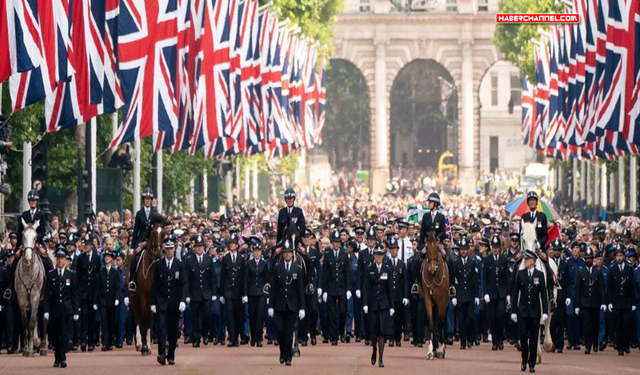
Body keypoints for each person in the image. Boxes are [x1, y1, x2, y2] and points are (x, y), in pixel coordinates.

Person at [510, 250, 549, 373]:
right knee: (522, 336)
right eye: (525, 259)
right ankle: (523, 359)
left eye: (527, 259)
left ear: (532, 261)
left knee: (533, 338)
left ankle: (532, 363)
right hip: (522, 311)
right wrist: (514, 311)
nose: (525, 261)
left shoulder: (540, 275)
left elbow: (543, 293)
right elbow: (515, 293)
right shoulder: (520, 274)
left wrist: (545, 311)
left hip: (535, 312)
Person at [268, 239, 305, 366]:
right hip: (279, 305)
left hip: (292, 305)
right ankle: (282, 352)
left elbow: (300, 289)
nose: (288, 254)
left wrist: (302, 308)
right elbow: (273, 288)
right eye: (286, 252)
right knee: (280, 331)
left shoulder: (297, 268)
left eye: (290, 252)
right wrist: (270, 306)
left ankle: (288, 356)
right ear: (283, 254)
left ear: (292, 253)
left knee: (289, 331)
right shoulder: (277, 268)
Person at [151, 236, 186, 366]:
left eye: (171, 248)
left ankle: (171, 355)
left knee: (172, 331)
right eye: (167, 249)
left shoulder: (179, 264)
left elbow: (183, 284)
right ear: (164, 250)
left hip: (175, 302)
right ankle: (161, 353)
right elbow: (155, 284)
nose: (170, 251)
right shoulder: (159, 264)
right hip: (161, 302)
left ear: (174, 249)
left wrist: (182, 300)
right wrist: (153, 303)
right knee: (161, 328)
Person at [43, 246, 79, 368]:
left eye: (62, 258)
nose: (60, 260)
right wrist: (46, 310)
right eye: (58, 258)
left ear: (65, 260)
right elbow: (47, 295)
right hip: (54, 310)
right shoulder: (51, 274)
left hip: (67, 310)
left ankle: (63, 358)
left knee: (64, 334)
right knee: (55, 336)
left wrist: (76, 310)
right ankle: (57, 358)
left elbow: (74, 294)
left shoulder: (71, 274)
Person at [362, 243, 394, 368]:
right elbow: (366, 288)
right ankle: (374, 350)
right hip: (372, 304)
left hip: (384, 304)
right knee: (373, 332)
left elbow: (390, 289)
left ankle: (381, 357)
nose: (379, 257)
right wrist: (365, 303)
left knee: (382, 332)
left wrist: (392, 306)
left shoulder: (388, 268)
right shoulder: (369, 269)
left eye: (381, 255)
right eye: (377, 255)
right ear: (374, 255)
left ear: (383, 256)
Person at [183, 234, 217, 347]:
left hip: (206, 293)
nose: (199, 248)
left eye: (201, 246)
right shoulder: (189, 260)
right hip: (194, 294)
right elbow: (186, 279)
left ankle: (205, 334)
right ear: (194, 247)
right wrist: (186, 294)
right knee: (194, 317)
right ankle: (196, 337)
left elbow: (213, 277)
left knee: (207, 315)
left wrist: (214, 293)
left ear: (204, 247)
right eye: (197, 246)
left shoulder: (209, 259)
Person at [322, 230, 352, 345]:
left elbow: (347, 273)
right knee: (332, 313)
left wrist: (348, 289)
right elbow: (325, 274)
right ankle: (334, 336)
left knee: (342, 312)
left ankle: (341, 332)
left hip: (342, 288)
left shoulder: (344, 255)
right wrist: (324, 290)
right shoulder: (328, 255)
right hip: (331, 288)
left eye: (338, 242)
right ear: (332, 243)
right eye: (334, 242)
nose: (336, 244)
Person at [574, 247, 606, 354]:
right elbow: (577, 290)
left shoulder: (598, 271)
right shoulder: (580, 272)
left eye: (590, 258)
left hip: (595, 303)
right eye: (587, 258)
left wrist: (603, 302)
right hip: (585, 303)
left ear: (593, 259)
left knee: (595, 324)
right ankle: (588, 346)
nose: (588, 260)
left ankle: (595, 342)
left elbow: (601, 288)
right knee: (586, 325)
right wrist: (577, 305)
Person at [414, 192, 447, 295]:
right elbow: (422, 232)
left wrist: (438, 238)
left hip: (438, 244)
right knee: (417, 261)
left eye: (431, 202)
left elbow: (443, 232)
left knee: (450, 260)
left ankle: (451, 286)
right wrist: (421, 247)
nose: (428, 204)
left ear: (436, 204)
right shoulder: (426, 216)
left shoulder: (441, 217)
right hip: (428, 246)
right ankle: (415, 284)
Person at [606, 247, 637, 356]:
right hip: (616, 302)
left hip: (627, 302)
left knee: (627, 325)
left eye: (621, 256)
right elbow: (609, 287)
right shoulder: (612, 269)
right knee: (618, 325)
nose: (619, 258)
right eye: (617, 256)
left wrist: (633, 303)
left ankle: (626, 344)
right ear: (615, 257)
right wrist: (609, 302)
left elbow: (632, 287)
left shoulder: (629, 269)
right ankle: (620, 347)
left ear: (624, 257)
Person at [219, 233, 246, 347]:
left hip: (238, 291)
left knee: (238, 315)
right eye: (230, 244)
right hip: (228, 290)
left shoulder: (241, 259)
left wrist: (244, 294)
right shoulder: (225, 258)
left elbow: (244, 277)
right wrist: (221, 294)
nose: (232, 245)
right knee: (229, 314)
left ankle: (238, 336)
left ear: (237, 246)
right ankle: (232, 338)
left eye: (234, 244)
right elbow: (223, 276)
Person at [451, 237, 479, 349]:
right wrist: (453, 296)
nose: (463, 251)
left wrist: (477, 296)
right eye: (461, 249)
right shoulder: (456, 263)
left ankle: (469, 338)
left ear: (468, 250)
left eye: (465, 249)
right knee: (461, 320)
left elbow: (475, 280)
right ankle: (463, 341)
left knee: (470, 318)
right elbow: (453, 280)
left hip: (470, 295)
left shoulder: (472, 263)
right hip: (460, 295)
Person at [483, 234, 509, 351]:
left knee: (501, 315)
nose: (495, 249)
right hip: (491, 293)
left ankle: (500, 339)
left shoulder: (504, 260)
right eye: (493, 246)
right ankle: (494, 341)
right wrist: (485, 293)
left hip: (502, 293)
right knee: (492, 317)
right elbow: (485, 278)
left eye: (497, 246)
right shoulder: (487, 260)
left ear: (500, 248)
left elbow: (507, 277)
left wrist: (508, 294)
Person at [129, 188, 157, 292]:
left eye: (149, 199)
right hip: (140, 242)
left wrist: (147, 242)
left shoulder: (155, 212)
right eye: (146, 199)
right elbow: (136, 231)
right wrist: (133, 247)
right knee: (134, 259)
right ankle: (132, 281)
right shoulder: (139, 213)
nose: (147, 201)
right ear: (143, 200)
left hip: (151, 242)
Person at [93, 248, 121, 351]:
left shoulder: (115, 272)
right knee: (103, 321)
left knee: (111, 321)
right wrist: (95, 301)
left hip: (112, 300)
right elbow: (97, 287)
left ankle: (110, 342)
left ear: (112, 259)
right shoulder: (101, 272)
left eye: (109, 257)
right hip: (103, 300)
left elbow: (118, 286)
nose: (107, 258)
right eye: (105, 257)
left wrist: (117, 298)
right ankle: (105, 343)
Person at [77, 233, 100, 352]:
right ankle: (83, 340)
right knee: (83, 317)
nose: (86, 246)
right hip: (83, 292)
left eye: (88, 244)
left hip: (93, 293)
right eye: (85, 244)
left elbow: (98, 276)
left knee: (92, 318)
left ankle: (91, 341)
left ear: (92, 245)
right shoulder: (81, 258)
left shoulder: (96, 257)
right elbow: (78, 275)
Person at [245, 237, 267, 347]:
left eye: (259, 251)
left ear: (261, 252)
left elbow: (267, 279)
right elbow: (246, 279)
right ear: (253, 252)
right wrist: (245, 294)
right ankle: (253, 336)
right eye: (255, 251)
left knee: (260, 315)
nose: (257, 253)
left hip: (262, 293)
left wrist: (268, 294)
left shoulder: (264, 263)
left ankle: (259, 337)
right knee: (252, 315)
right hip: (251, 292)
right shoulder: (249, 264)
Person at [387, 238, 409, 347]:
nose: (393, 251)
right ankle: (391, 338)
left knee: (399, 318)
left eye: (395, 249)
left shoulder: (401, 264)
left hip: (399, 295)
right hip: (389, 296)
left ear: (398, 250)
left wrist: (405, 296)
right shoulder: (386, 264)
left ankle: (397, 338)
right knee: (390, 318)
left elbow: (405, 281)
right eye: (391, 249)